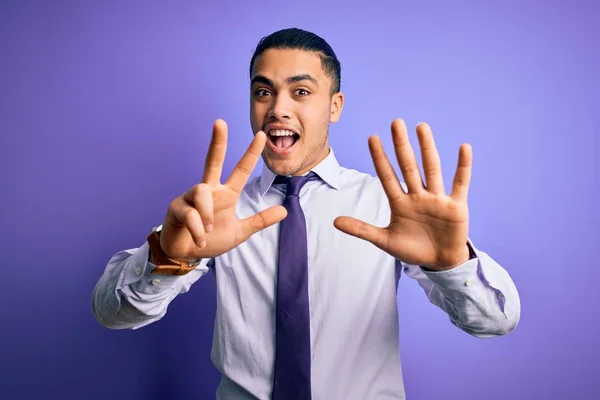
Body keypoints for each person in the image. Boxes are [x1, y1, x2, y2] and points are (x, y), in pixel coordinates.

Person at [92, 28, 521, 400]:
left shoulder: (388, 207)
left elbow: (497, 320)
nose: (278, 108)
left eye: (300, 91)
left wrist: (452, 264)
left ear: (334, 106)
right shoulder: (216, 209)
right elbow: (112, 313)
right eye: (263, 91)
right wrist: (168, 257)